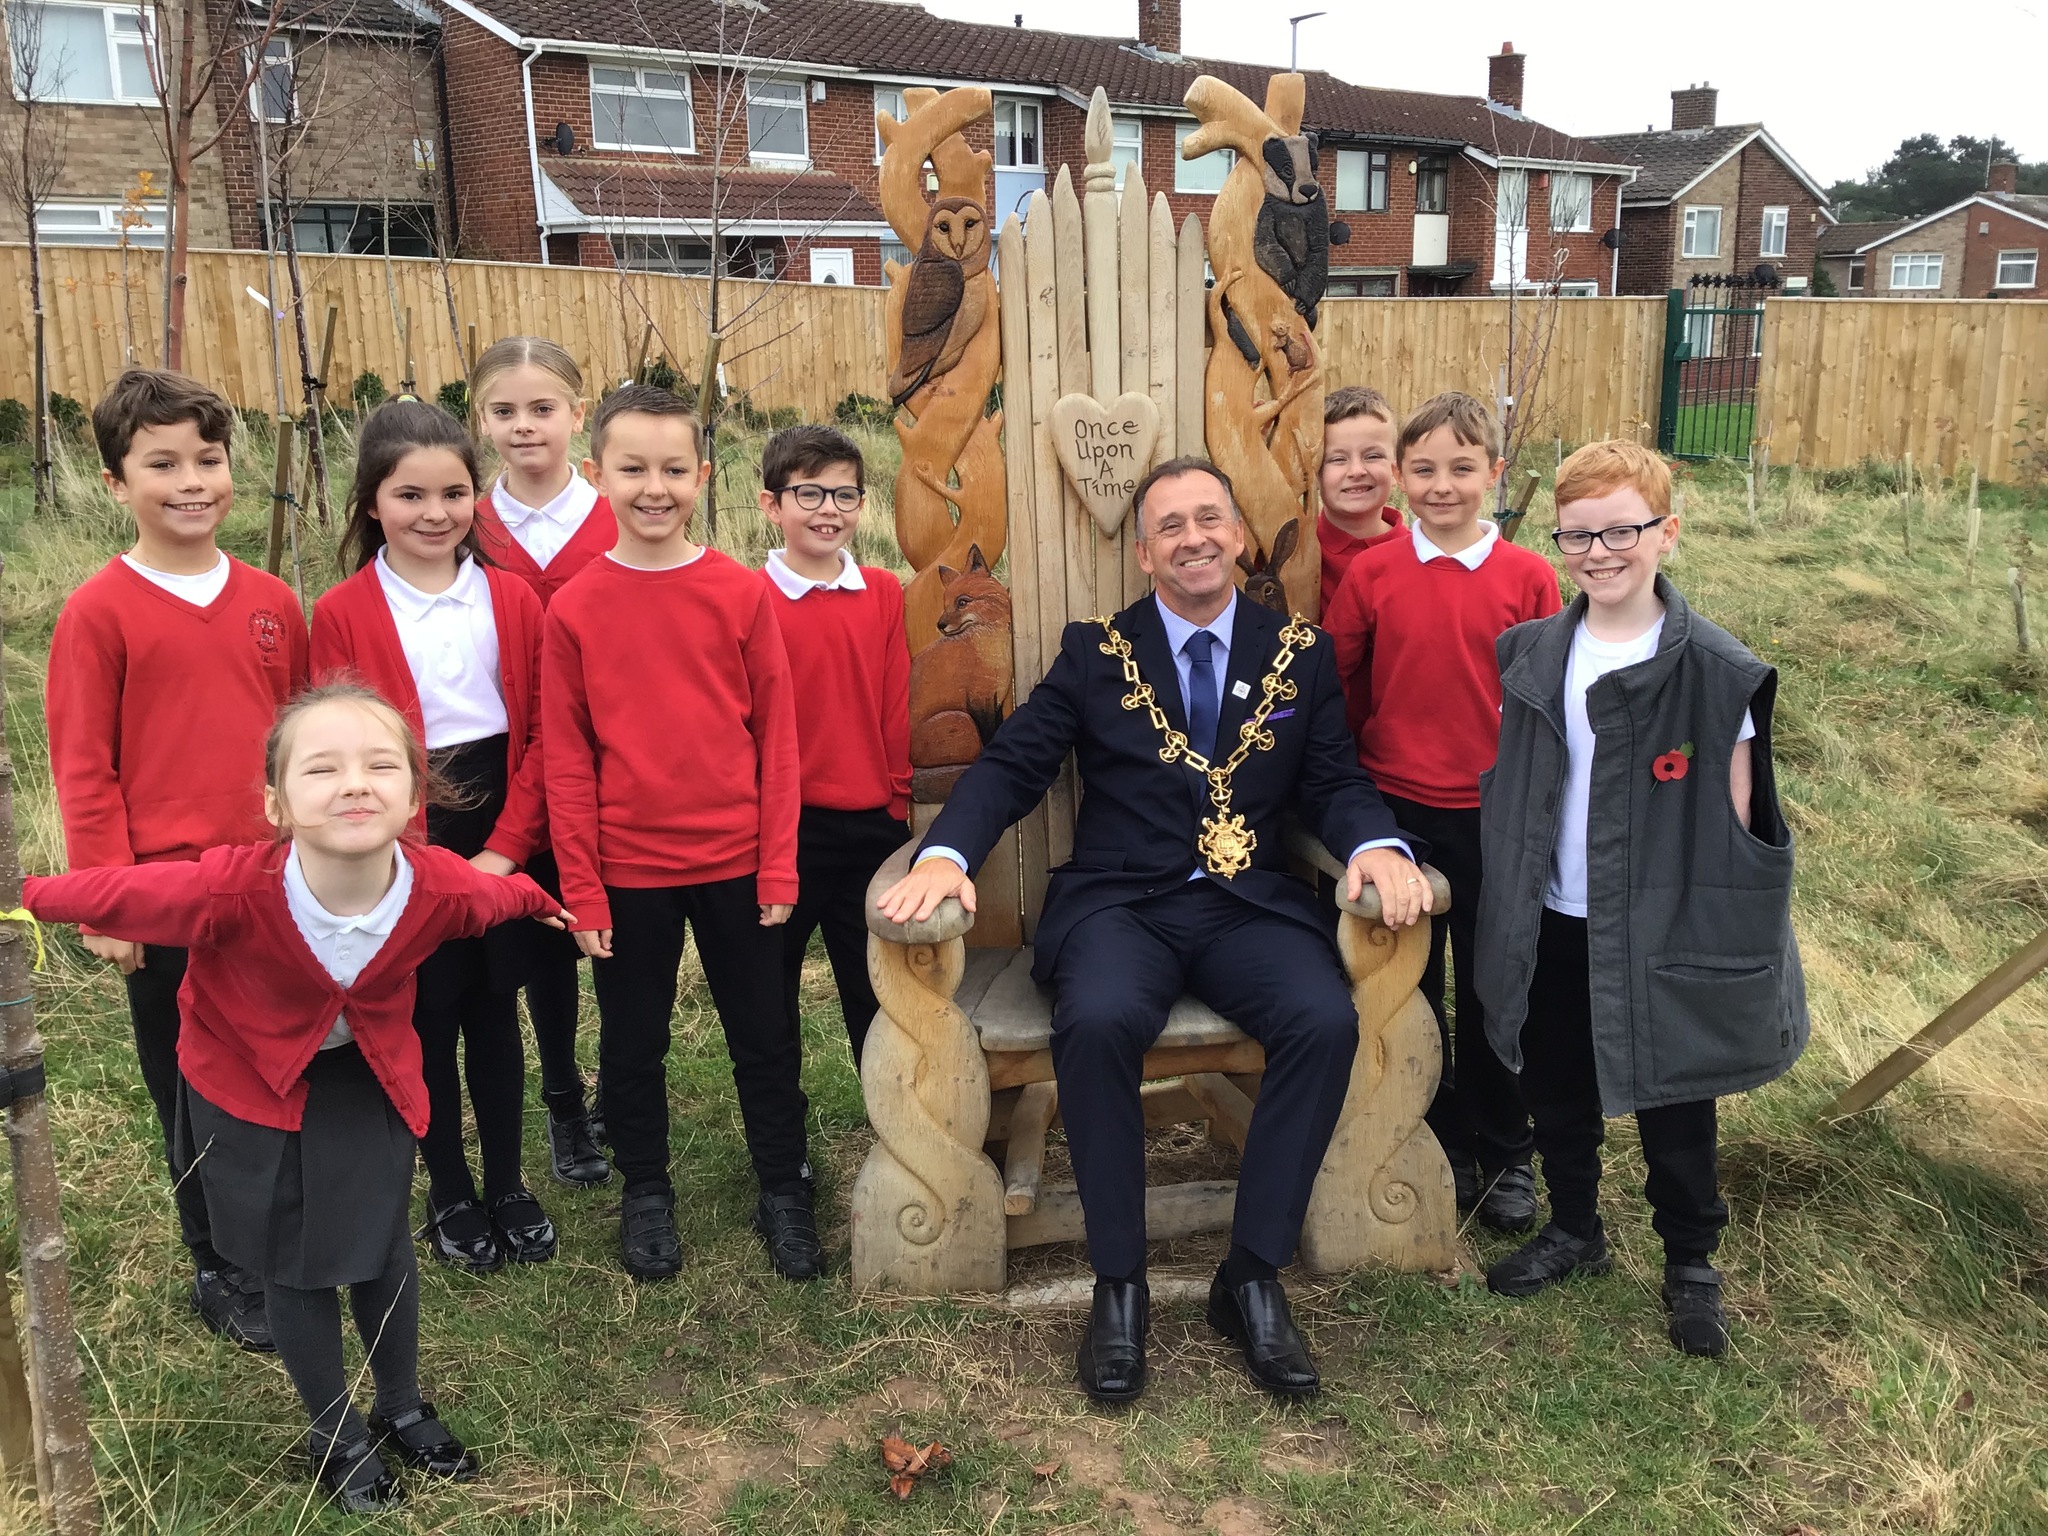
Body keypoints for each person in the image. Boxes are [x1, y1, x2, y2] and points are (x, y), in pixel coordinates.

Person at [879, 456, 1429, 1404]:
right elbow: (1015, 764)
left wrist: (1376, 844)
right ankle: (1119, 1284)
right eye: (1170, 525)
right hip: (1121, 906)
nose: (1193, 538)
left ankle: (1250, 1277)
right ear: (1144, 554)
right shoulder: (1098, 653)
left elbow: (1334, 780)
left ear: (1238, 536)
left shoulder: (1297, 653)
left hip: (1246, 906)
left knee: (1322, 1020)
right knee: (1097, 1021)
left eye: (1209, 518)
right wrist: (947, 855)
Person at [26, 686, 569, 1510]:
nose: (354, 783)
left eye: (380, 765)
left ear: (414, 800)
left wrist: (551, 904)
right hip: (248, 1081)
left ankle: (400, 1406)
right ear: (276, 804)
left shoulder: (441, 888)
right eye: (322, 768)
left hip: (366, 1072)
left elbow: (504, 897)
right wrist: (23, 895)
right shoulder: (227, 889)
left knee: (383, 1242)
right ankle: (334, 1433)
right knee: (294, 1261)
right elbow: (115, 895)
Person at [1473, 440, 1807, 1358]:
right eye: (1578, 535)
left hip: (1658, 923)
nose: (1600, 552)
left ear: (1667, 532)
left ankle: (1691, 1264)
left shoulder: (1717, 671)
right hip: (1555, 912)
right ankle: (1575, 1227)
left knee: (1674, 1093)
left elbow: (1737, 818)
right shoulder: (1533, 654)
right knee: (1556, 1081)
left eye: (1622, 530)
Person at [45, 368, 310, 1352]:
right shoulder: (99, 613)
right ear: (117, 483)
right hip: (167, 899)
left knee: (282, 1060)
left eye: (207, 459)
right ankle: (220, 1258)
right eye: (162, 465)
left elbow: (300, 740)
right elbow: (84, 766)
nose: (191, 482)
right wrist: (110, 904)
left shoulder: (272, 601)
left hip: (272, 889)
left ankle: (287, 1226)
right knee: (192, 1083)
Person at [541, 384, 813, 1283]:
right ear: (597, 475)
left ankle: (783, 1184)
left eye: (671, 470)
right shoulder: (574, 608)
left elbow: (777, 738)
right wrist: (582, 889)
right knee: (632, 1045)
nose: (653, 489)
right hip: (629, 871)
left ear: (701, 475)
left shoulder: (738, 593)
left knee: (764, 1035)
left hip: (737, 863)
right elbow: (567, 761)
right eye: (632, 470)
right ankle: (646, 1190)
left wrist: (779, 867)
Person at [311, 399, 558, 1274]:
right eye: (409, 495)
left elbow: (544, 735)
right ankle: (449, 1186)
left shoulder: (513, 599)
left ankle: (509, 1181)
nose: (434, 513)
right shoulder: (343, 611)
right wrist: (403, 856)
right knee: (428, 1012)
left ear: (476, 498)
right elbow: (342, 746)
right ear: (372, 502)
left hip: (503, 824)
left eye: (454, 493)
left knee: (495, 1007)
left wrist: (507, 850)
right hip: (404, 837)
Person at [1324, 392, 1560, 1234]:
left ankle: (1507, 1149)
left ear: (1494, 472)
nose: (1442, 485)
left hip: (1494, 815)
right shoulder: (1374, 573)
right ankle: (1434, 1132)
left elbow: (1548, 703)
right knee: (1409, 987)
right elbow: (1336, 683)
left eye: (1462, 468)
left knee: (1496, 986)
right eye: (1423, 469)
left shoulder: (1528, 577)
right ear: (1400, 476)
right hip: (1399, 814)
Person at [469, 336, 612, 1187]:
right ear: (480, 419)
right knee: (542, 938)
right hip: (511, 768)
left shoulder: (616, 516)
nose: (524, 426)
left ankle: (622, 1085)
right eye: (504, 410)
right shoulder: (465, 523)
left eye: (542, 408)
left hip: (615, 764)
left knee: (617, 933)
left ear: (577, 415)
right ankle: (563, 1099)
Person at [756, 424, 910, 1068]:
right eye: (810, 494)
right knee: (771, 993)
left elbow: (894, 702)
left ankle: (892, 1116)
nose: (829, 510)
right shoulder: (749, 597)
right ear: (772, 505)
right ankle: (781, 1129)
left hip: (872, 825)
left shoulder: (883, 592)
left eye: (845, 496)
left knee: (876, 992)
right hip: (784, 831)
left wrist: (897, 803)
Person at [1316, 385, 1407, 616]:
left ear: (1397, 469)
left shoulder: (1418, 553)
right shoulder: (1290, 548)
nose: (1356, 471)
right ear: (1314, 471)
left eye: (1373, 456)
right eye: (1337, 459)